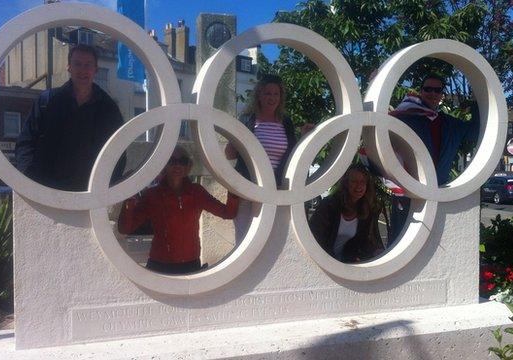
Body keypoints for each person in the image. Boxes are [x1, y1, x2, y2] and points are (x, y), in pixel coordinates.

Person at [16, 44, 125, 191]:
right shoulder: (47, 102)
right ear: (69, 67)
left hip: (89, 194)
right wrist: (29, 179)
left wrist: (106, 187)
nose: (83, 70)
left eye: (88, 65)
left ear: (95, 70)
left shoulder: (108, 108)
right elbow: (26, 143)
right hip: (47, 192)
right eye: (77, 64)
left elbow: (119, 149)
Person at [117, 145, 239, 274]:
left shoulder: (196, 192)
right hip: (159, 265)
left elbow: (228, 213)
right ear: (164, 165)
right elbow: (125, 228)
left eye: (182, 161)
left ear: (188, 166)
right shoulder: (152, 195)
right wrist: (128, 198)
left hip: (190, 264)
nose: (177, 165)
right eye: (172, 161)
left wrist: (234, 189)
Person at [387, 73, 479, 243]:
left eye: (437, 90)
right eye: (428, 89)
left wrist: (475, 101)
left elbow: (474, 131)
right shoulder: (406, 117)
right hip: (408, 190)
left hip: (437, 190)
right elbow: (379, 127)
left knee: (432, 240)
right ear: (420, 91)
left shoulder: (449, 124)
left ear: (442, 95)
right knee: (400, 240)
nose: (432, 93)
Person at [225, 74, 312, 242]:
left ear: (281, 97)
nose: (272, 98)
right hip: (247, 188)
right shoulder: (247, 119)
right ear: (259, 95)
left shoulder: (285, 122)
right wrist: (233, 140)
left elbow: (292, 154)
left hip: (275, 189)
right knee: (245, 239)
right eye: (267, 93)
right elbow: (230, 154)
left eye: (276, 94)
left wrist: (303, 137)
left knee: (269, 239)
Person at [309, 165, 385, 263]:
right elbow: (315, 236)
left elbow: (362, 241)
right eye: (354, 181)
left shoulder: (366, 209)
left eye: (363, 182)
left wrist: (376, 251)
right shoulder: (329, 205)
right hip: (322, 261)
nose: (359, 186)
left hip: (345, 263)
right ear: (346, 184)